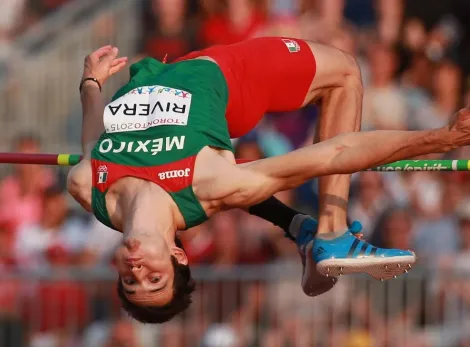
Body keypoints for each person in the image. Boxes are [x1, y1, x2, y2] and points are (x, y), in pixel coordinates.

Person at [67, 38, 470, 324]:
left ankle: (311, 237)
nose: (139, 269)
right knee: (345, 70)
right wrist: (438, 138)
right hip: (229, 77)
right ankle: (331, 234)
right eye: (155, 278)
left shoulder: (86, 185)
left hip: (163, 66)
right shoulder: (212, 184)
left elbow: (90, 139)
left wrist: (91, 83)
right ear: (178, 256)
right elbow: (335, 153)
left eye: (129, 279)